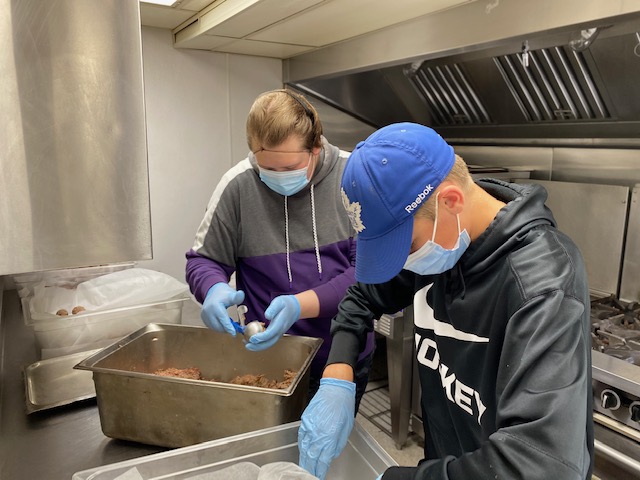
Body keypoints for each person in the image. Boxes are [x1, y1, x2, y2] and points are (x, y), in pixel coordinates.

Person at [298, 122, 594, 480]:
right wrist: (339, 372)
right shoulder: (443, 237)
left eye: (404, 247)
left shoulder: (542, 284)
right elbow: (361, 296)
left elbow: (542, 465)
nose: (403, 263)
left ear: (451, 201)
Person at [185, 89, 376, 408]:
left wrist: (299, 305)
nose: (278, 178)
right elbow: (203, 261)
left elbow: (368, 275)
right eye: (267, 169)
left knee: (329, 452)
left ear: (316, 146)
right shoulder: (238, 186)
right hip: (267, 361)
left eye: (290, 168)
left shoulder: (354, 177)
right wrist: (213, 289)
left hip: (341, 358)